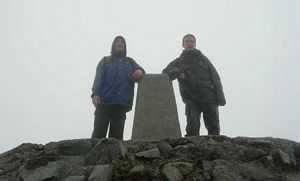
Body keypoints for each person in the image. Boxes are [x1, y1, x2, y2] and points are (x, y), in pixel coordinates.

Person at [162, 34, 226, 136]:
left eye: (192, 41)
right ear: (183, 44)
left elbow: (215, 77)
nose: (190, 43)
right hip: (191, 98)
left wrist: (220, 97)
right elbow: (165, 75)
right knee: (192, 127)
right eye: (187, 41)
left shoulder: (204, 59)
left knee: (213, 127)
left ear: (195, 44)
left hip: (209, 96)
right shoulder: (179, 62)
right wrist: (178, 72)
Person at [91, 36, 145, 140]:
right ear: (113, 46)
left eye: (122, 42)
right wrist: (95, 94)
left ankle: (114, 156)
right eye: (117, 42)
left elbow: (141, 70)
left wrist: (140, 71)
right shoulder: (105, 60)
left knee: (116, 139)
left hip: (121, 105)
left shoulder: (130, 62)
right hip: (103, 103)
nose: (120, 44)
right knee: (98, 135)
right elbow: (98, 78)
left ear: (125, 47)